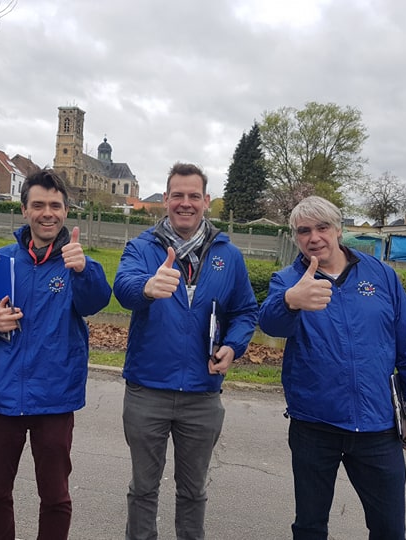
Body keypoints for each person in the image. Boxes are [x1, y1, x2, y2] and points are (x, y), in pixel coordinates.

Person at [258, 195, 406, 540]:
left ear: (339, 230)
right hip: (314, 425)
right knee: (309, 525)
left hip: (377, 427)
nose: (314, 237)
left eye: (322, 227)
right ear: (296, 237)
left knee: (389, 528)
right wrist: (291, 301)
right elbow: (270, 323)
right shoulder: (288, 280)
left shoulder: (381, 275)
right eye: (304, 230)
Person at [114, 162, 258, 540]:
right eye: (177, 195)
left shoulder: (229, 255)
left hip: (202, 394)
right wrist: (147, 287)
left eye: (194, 195)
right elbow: (124, 287)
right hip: (148, 390)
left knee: (193, 492)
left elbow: (245, 311)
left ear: (206, 201)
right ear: (165, 199)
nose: (185, 203)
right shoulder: (142, 248)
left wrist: (233, 345)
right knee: (143, 489)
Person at [0, 169, 112, 540]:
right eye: (39, 205)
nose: (48, 213)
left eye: (56, 205)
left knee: (56, 497)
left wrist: (84, 271)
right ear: (24, 209)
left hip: (55, 397)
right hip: (0, 396)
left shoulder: (77, 263)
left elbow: (96, 302)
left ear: (66, 211)